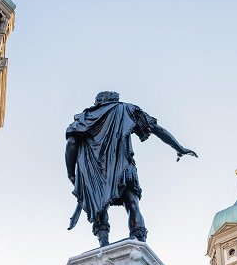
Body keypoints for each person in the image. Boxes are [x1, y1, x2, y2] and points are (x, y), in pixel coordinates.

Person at [65, 91, 197, 246]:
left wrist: (71, 173)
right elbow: (157, 129)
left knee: (99, 207)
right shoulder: (127, 109)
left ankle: (104, 244)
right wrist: (179, 148)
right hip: (122, 165)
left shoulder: (85, 117)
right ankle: (140, 243)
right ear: (115, 99)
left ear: (98, 101)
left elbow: (71, 143)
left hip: (92, 170)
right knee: (132, 202)